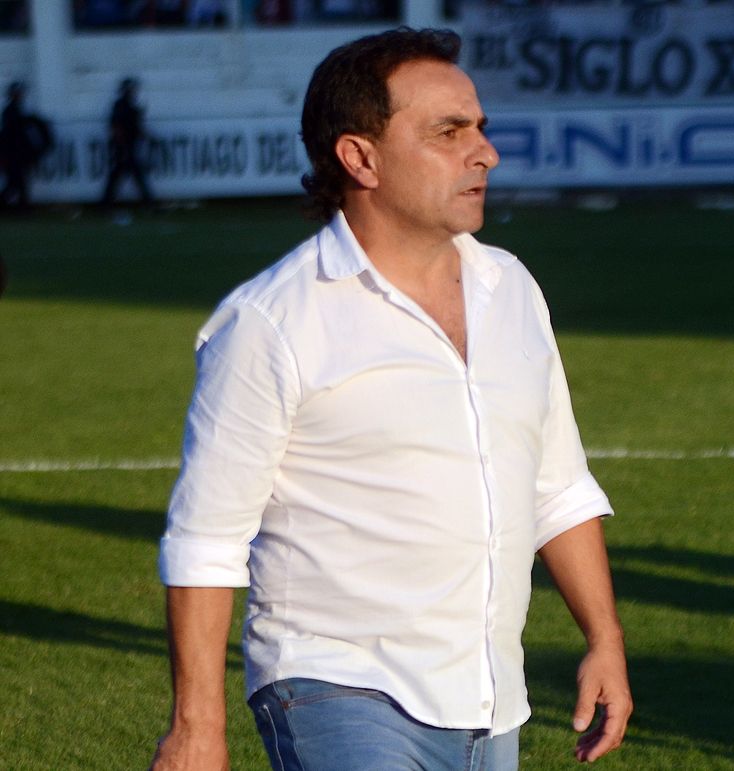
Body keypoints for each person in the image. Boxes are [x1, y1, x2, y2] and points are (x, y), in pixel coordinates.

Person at [151, 27, 632, 771]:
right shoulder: (272, 321)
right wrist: (196, 728)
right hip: (333, 684)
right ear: (360, 157)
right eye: (448, 131)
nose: (485, 152)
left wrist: (604, 639)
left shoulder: (511, 289)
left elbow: (558, 486)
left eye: (480, 128)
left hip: (489, 699)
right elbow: (206, 538)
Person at [101, 77, 154, 209]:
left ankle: (106, 204)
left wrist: (145, 136)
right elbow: (117, 127)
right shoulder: (121, 106)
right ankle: (148, 203)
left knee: (123, 175)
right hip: (124, 146)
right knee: (129, 175)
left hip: (127, 145)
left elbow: (135, 127)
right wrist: (122, 145)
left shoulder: (129, 106)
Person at [1, 81, 51, 212]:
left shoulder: (16, 111)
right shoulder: (11, 112)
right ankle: (22, 206)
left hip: (16, 154)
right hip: (13, 154)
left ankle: (23, 206)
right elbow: (12, 133)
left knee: (18, 182)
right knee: (16, 182)